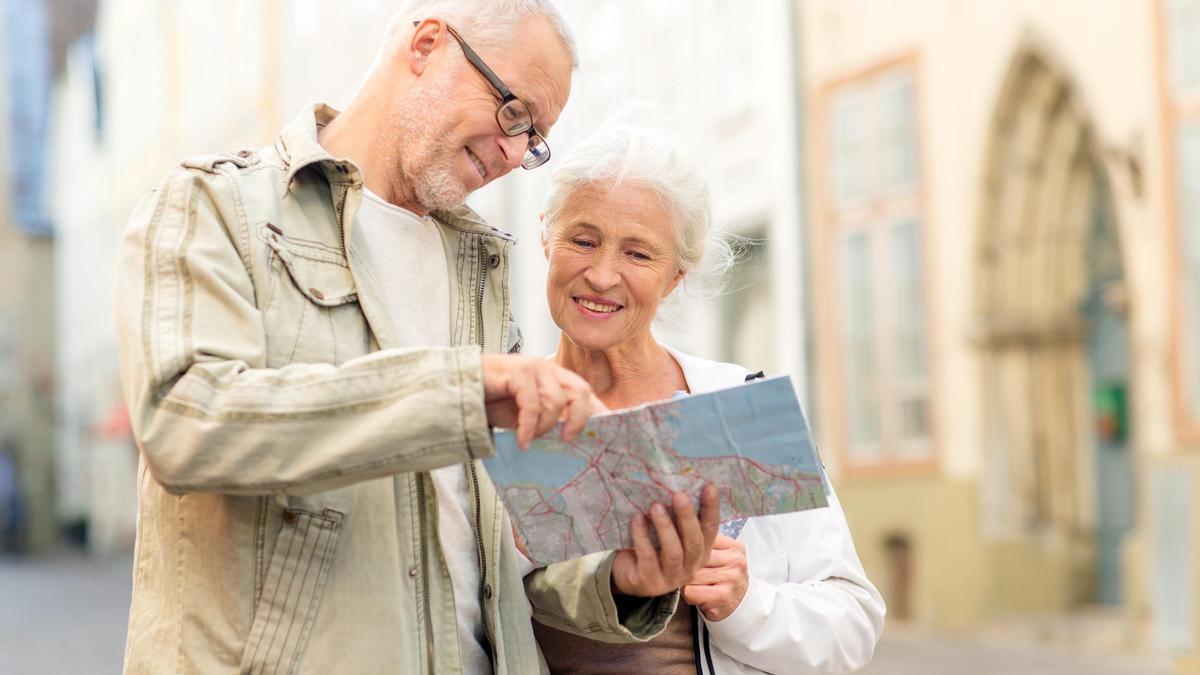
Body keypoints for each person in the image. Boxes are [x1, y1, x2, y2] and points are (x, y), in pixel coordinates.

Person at [114, 4, 721, 673]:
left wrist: (619, 580)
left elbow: (502, 557)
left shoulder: (477, 269)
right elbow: (186, 420)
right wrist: (460, 393)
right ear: (428, 43)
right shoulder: (218, 208)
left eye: (535, 139)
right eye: (514, 114)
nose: (516, 153)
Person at [528, 113, 887, 674]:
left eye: (638, 253)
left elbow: (853, 622)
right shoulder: (509, 418)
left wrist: (744, 603)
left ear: (676, 276)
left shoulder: (736, 413)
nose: (601, 274)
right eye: (582, 239)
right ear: (545, 237)